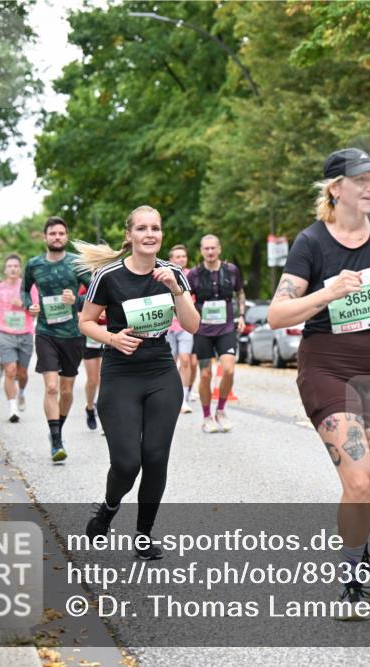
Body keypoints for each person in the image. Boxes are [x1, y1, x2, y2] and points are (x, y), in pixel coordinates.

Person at [268, 148, 370, 618]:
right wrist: (326, 292)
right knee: (359, 479)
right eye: (361, 179)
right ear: (336, 188)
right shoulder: (311, 243)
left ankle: (355, 539)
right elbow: (276, 315)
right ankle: (351, 579)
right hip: (327, 367)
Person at [77, 205, 198, 561]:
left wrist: (177, 290)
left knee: (156, 458)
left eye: (156, 228)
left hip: (161, 371)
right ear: (129, 235)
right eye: (142, 228)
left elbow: (192, 325)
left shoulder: (172, 272)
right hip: (120, 373)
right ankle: (107, 510)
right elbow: (86, 322)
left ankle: (143, 536)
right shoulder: (109, 276)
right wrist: (112, 339)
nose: (150, 234)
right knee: (128, 463)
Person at [22, 216, 92, 462]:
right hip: (45, 332)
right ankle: (56, 440)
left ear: (66, 236)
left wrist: (77, 301)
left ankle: (57, 429)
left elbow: (96, 293)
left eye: (61, 233)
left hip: (72, 334)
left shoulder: (77, 264)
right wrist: (28, 305)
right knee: (51, 386)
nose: (57, 237)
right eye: (52, 233)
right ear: (45, 237)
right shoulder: (34, 265)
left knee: (67, 390)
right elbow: (24, 290)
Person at [187, 235, 245, 433]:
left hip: (226, 328)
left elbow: (240, 293)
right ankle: (206, 416)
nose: (210, 252)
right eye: (206, 249)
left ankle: (220, 410)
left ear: (219, 249)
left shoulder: (231, 270)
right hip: (203, 330)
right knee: (205, 374)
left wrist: (242, 315)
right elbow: (185, 297)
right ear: (201, 250)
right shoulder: (194, 274)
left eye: (213, 248)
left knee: (228, 370)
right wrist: (191, 317)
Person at [0, 254, 35, 423]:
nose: (13, 268)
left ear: (19, 268)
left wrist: (22, 304)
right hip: (5, 333)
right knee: (10, 371)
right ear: (5, 269)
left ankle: (21, 392)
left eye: (16, 266)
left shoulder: (28, 287)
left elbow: (37, 309)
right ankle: (13, 408)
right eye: (9, 266)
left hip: (25, 334)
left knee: (22, 373)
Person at [165, 245, 196, 413]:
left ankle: (183, 399)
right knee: (170, 362)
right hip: (167, 325)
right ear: (171, 260)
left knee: (185, 360)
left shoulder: (192, 275)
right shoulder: (162, 274)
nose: (181, 259)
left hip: (185, 326)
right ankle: (170, 396)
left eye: (183, 256)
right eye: (177, 257)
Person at [78, 283, 106, 430]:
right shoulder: (86, 286)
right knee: (93, 380)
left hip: (108, 333)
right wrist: (93, 314)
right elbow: (78, 312)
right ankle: (89, 407)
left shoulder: (113, 279)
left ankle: (104, 419)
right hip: (90, 336)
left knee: (104, 379)